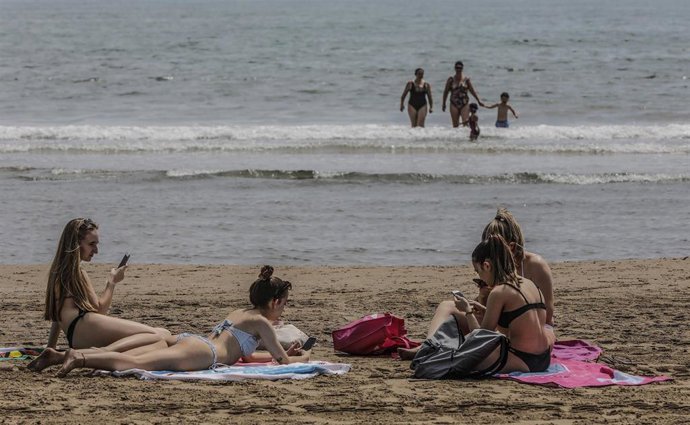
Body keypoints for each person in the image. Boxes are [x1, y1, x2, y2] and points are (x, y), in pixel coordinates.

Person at [50, 266, 311, 377]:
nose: (284, 309)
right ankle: (79, 359)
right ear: (275, 302)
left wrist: (280, 353)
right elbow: (283, 363)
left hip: (193, 342)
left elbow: (245, 357)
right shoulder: (262, 323)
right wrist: (305, 357)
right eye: (285, 303)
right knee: (136, 363)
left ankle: (61, 355)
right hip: (203, 352)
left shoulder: (241, 312)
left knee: (137, 356)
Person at [402, 236, 554, 373]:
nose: (479, 276)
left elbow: (480, 340)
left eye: (478, 271)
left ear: (487, 266)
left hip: (524, 360)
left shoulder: (499, 292)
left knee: (440, 364)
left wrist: (468, 312)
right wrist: (487, 310)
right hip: (544, 358)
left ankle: (430, 348)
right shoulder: (529, 284)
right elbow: (520, 321)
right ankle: (432, 347)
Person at [36, 218, 170, 354]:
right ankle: (96, 354)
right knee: (158, 338)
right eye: (91, 244)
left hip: (76, 335)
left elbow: (57, 315)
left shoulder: (58, 271)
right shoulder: (77, 272)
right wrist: (111, 282)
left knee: (163, 333)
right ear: (76, 244)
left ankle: (101, 355)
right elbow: (99, 309)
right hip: (85, 330)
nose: (96, 250)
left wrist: (50, 347)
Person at [481, 208, 555, 326]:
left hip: (535, 328)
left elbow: (548, 314)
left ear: (511, 246)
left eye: (492, 248)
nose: (487, 253)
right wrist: (483, 298)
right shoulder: (492, 266)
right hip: (505, 325)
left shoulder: (535, 266)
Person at [442, 61, 484, 128]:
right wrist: (443, 104)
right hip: (453, 103)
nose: (458, 69)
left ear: (462, 68)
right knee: (455, 125)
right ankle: (457, 138)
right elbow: (445, 92)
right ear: (455, 68)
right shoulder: (451, 80)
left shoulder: (466, 80)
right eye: (457, 68)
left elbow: (472, 91)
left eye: (460, 68)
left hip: (464, 103)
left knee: (466, 123)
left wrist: (479, 100)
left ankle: (465, 137)